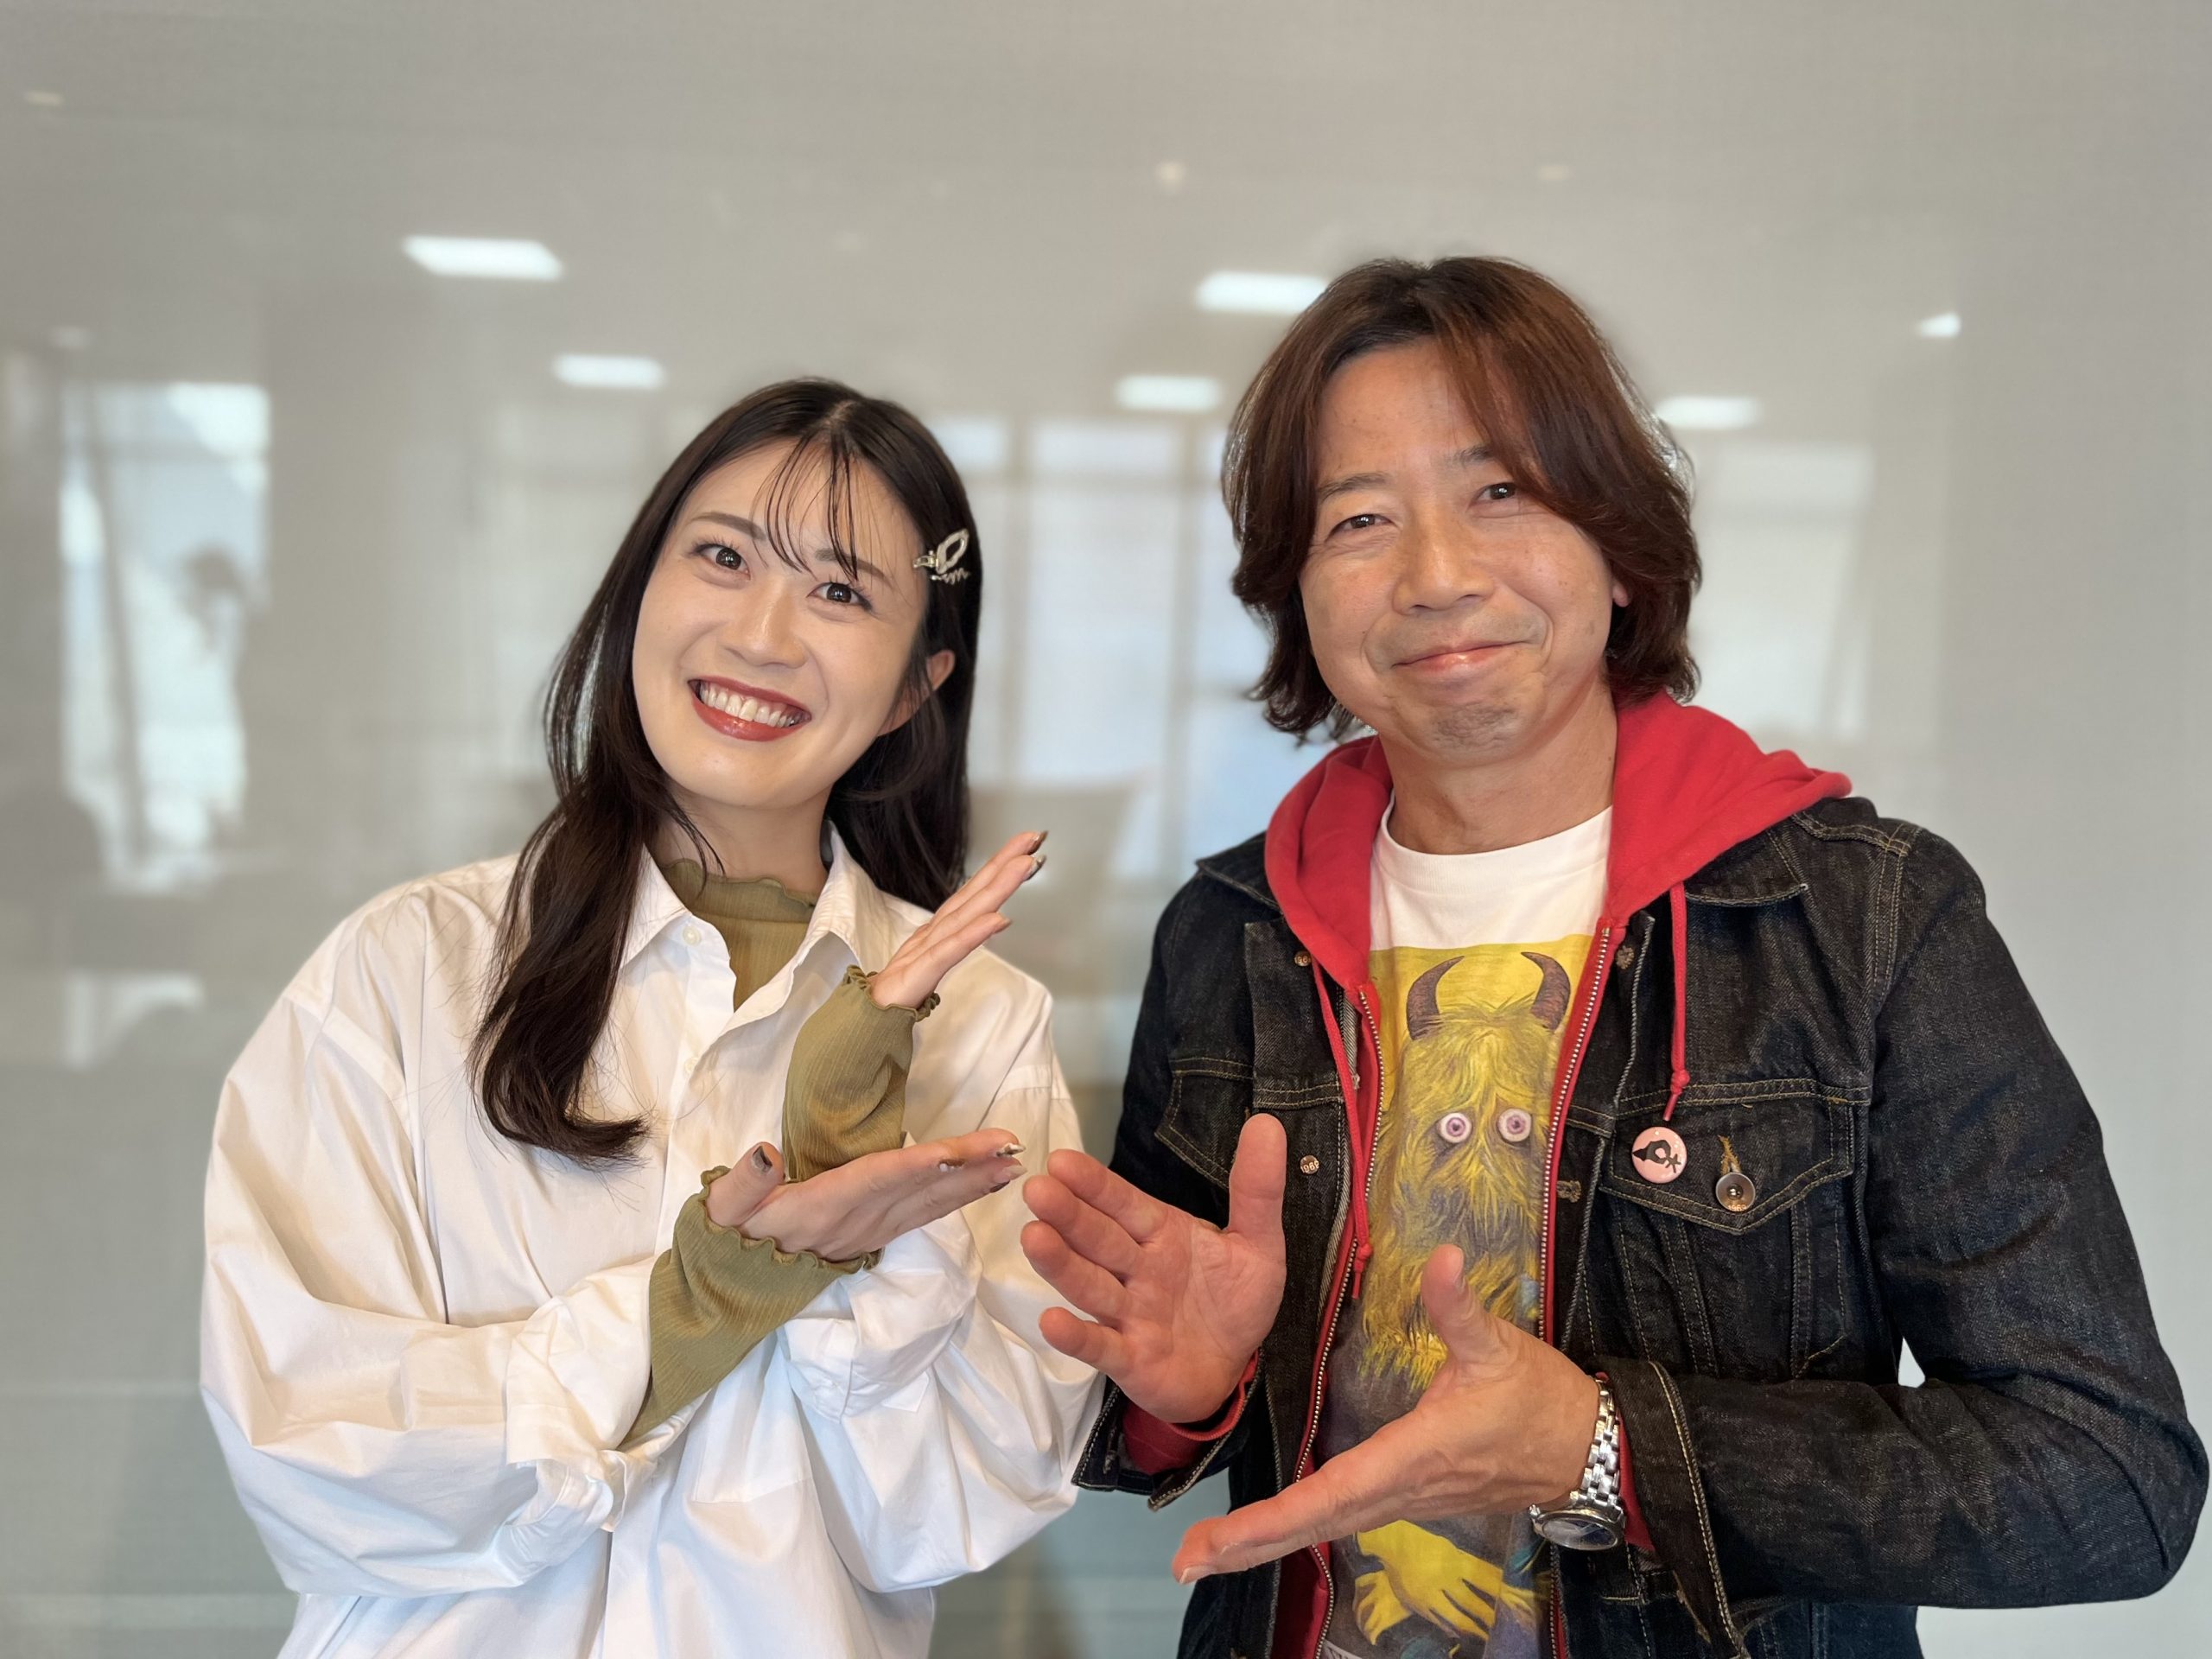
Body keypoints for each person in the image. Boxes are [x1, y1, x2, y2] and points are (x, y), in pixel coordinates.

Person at [1020, 258, 2205, 1659]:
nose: (1437, 575)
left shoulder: (1861, 916)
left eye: (1501, 492)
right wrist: (1188, 1398)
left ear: (1622, 547)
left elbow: (2105, 1478)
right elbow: (1162, 1402)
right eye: (1359, 519)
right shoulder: (1235, 929)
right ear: (1300, 592)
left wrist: (1601, 1447)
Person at [201, 379, 1101, 1658]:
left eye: (840, 593)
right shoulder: (406, 968)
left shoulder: (984, 1023)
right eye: (724, 558)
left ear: (916, 685)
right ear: (640, 592)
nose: (763, 633)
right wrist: (697, 1303)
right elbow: (303, 1444)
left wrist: (853, 1211)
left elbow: (965, 1501)